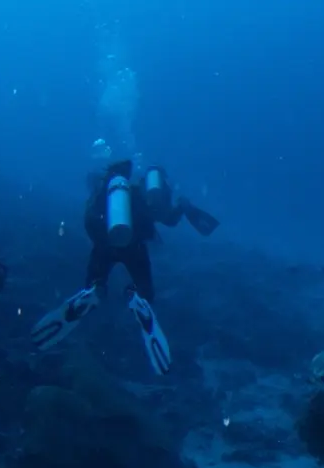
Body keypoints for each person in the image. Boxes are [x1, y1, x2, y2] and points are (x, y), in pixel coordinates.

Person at [30, 157, 214, 375]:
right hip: (134, 246)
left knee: (95, 281)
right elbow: (169, 220)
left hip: (103, 244)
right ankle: (135, 297)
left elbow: (89, 218)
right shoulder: (143, 192)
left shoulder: (106, 190)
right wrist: (183, 206)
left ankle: (95, 289)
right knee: (145, 289)